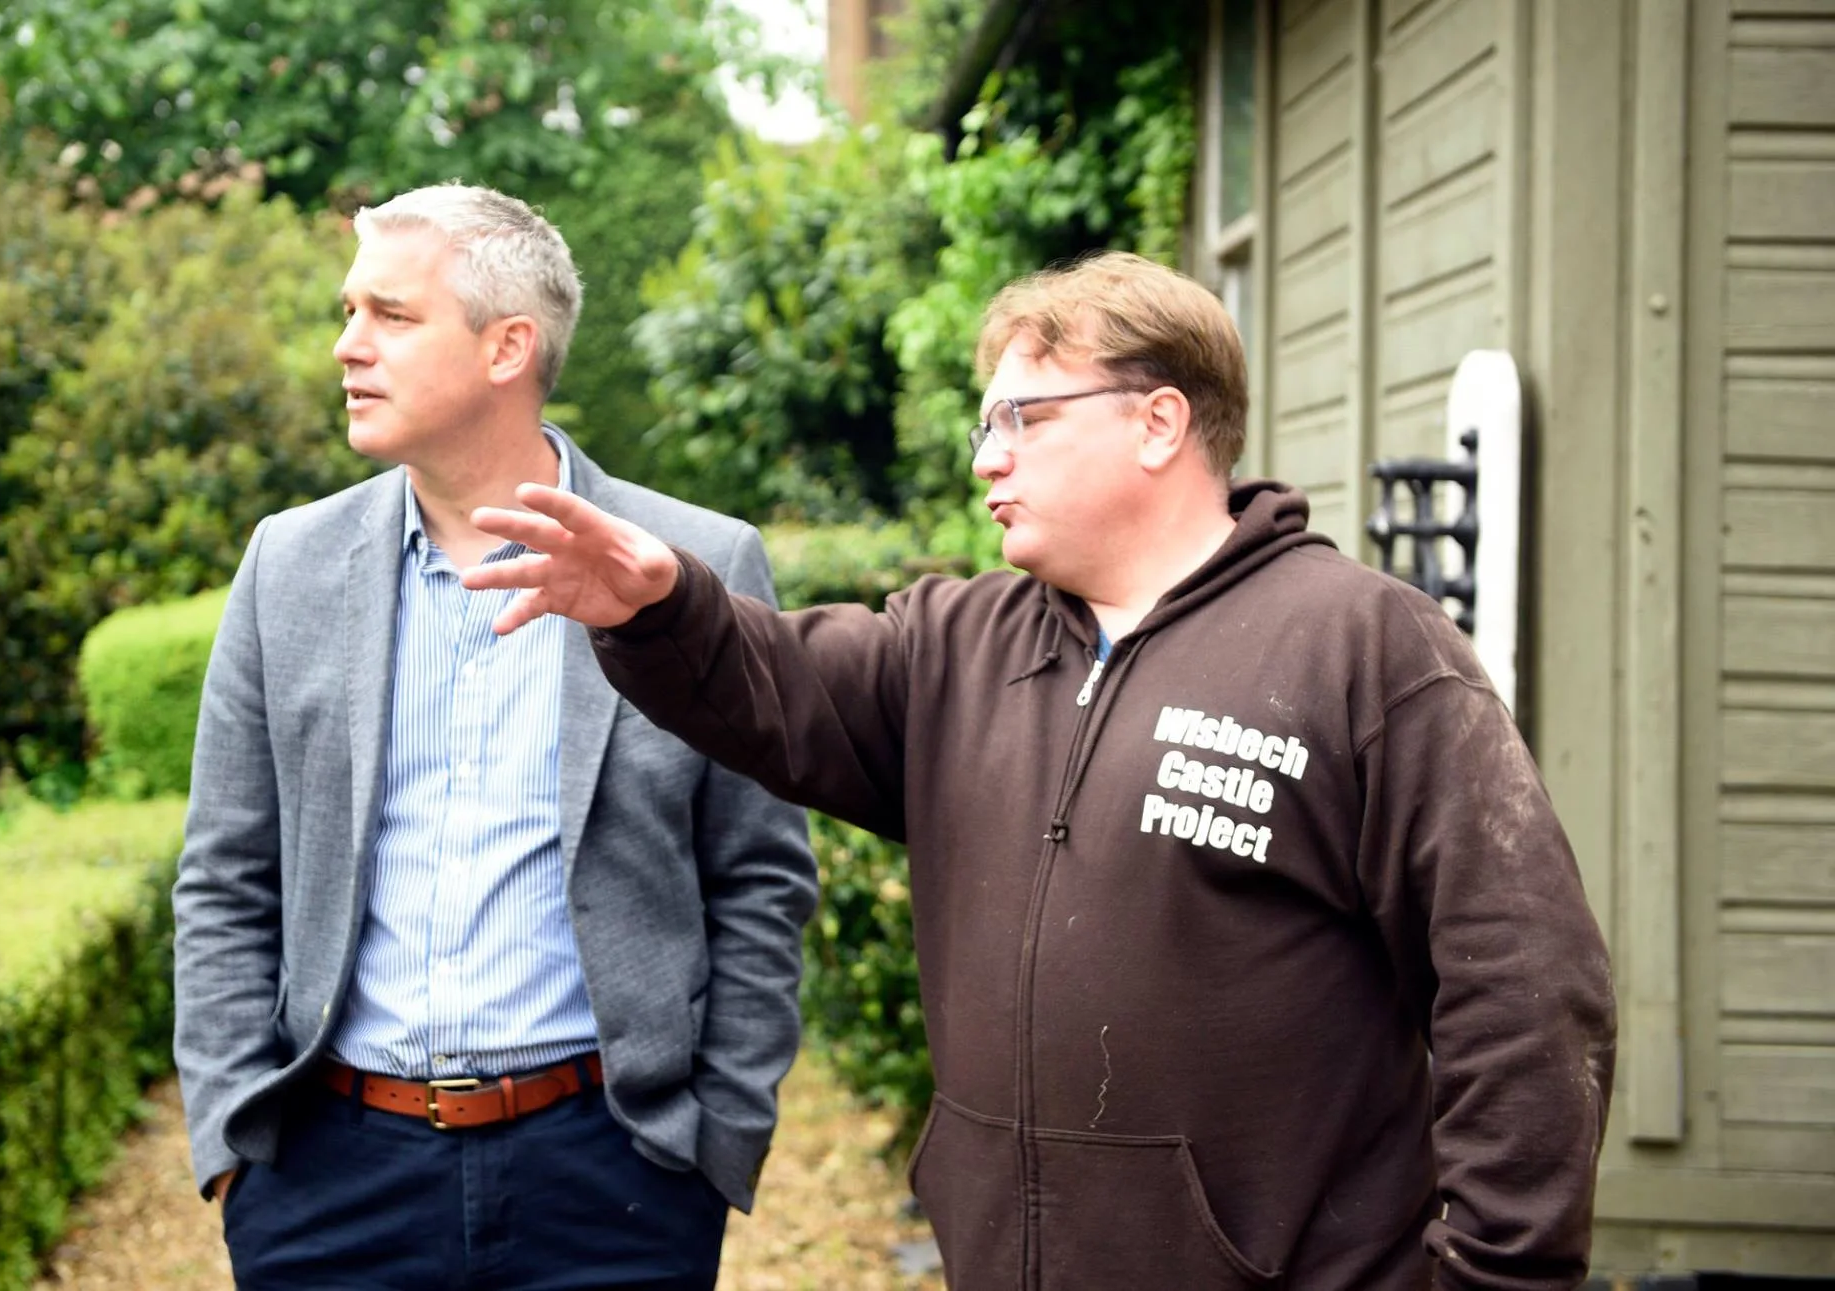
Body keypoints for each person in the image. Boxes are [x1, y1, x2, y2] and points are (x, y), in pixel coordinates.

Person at [461, 251, 1619, 1290]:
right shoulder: (958, 645)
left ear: (1158, 422)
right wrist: (660, 609)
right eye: (982, 427)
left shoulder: (1363, 650)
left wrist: (1494, 1276)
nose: (985, 458)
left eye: (1020, 418)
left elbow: (1521, 987)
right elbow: (773, 679)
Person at [171, 182, 818, 1291]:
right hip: (328, 1184)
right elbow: (226, 874)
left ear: (505, 346)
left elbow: (759, 874)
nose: (346, 346)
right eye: (347, 311)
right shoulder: (288, 565)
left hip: (612, 1180)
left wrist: (713, 1139)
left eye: (390, 315)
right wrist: (236, 1143)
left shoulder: (692, 563)